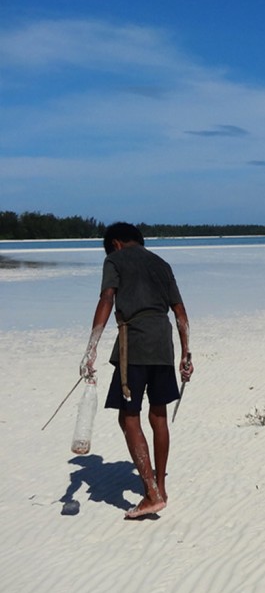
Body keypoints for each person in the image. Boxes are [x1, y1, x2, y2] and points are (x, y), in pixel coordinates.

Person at [80, 222, 193, 519]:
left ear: (116, 243)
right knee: (158, 415)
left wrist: (91, 347)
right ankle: (161, 488)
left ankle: (151, 494)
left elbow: (107, 297)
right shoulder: (161, 263)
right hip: (163, 344)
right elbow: (180, 314)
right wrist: (185, 354)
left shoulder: (115, 260)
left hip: (135, 345)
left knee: (128, 417)